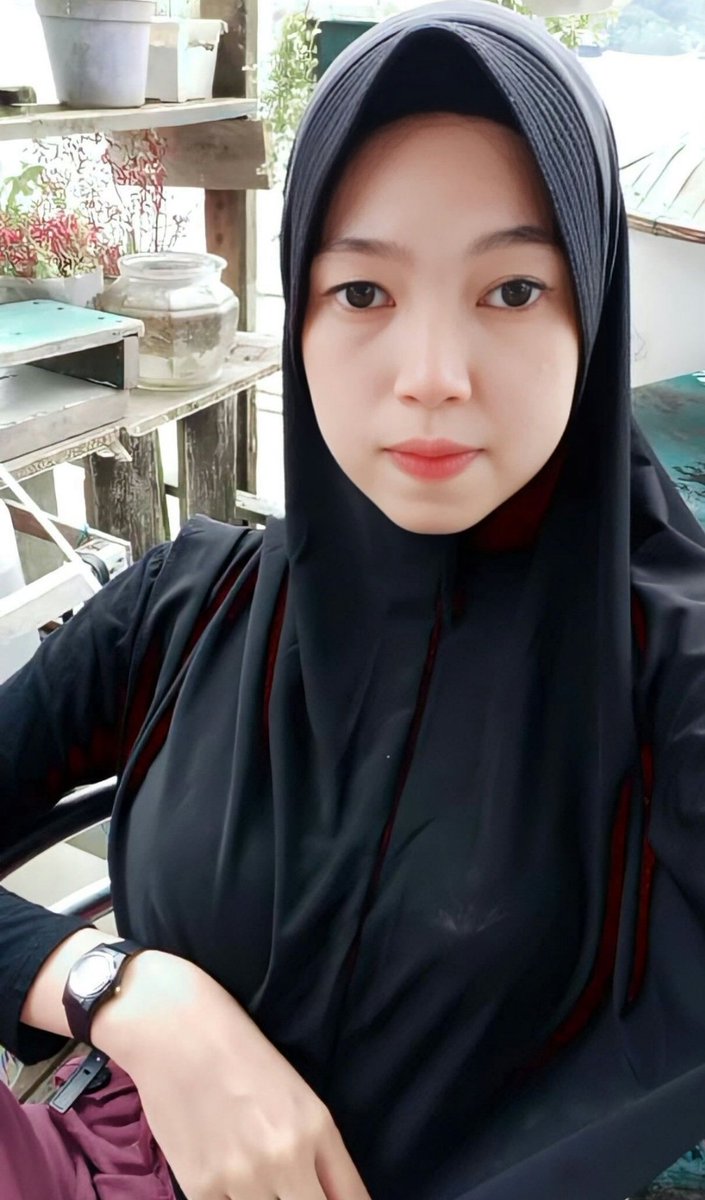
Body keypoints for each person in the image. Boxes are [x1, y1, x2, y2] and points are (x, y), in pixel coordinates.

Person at [2, 2, 705, 1198]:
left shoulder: (656, 672)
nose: (431, 377)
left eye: (514, 290)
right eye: (364, 293)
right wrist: (122, 991)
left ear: (594, 306)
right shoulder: (193, 607)